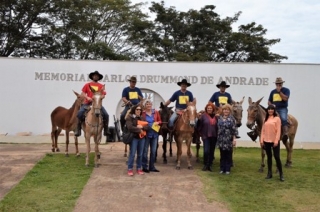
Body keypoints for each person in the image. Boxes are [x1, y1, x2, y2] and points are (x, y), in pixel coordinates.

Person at [75, 71, 109, 137]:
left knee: (106, 115)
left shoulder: (101, 86)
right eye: (94, 75)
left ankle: (106, 130)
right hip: (87, 104)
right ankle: (78, 129)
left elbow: (103, 94)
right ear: (92, 77)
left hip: (97, 104)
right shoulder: (87, 85)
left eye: (97, 76)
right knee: (80, 113)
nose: (96, 76)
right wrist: (87, 97)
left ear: (99, 77)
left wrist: (100, 97)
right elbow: (83, 93)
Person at [260, 104, 284, 181]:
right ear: (267, 110)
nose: (270, 110)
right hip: (266, 141)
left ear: (274, 110)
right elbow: (263, 131)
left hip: (274, 141)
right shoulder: (265, 119)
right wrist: (261, 140)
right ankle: (269, 173)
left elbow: (278, 131)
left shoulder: (277, 119)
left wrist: (276, 140)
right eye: (269, 109)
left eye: (272, 109)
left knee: (277, 157)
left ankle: (281, 174)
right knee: (269, 157)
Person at [126, 105, 148, 176]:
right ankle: (130, 169)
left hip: (142, 138)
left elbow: (148, 126)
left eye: (140, 110)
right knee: (132, 154)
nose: (139, 111)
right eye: (137, 109)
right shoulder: (130, 117)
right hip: (134, 138)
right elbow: (130, 127)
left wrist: (142, 127)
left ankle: (139, 168)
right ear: (134, 110)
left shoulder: (142, 117)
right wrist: (139, 130)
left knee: (140, 154)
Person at [141, 99, 162, 173]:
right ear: (145, 105)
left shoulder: (155, 112)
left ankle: (152, 166)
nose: (149, 105)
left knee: (153, 151)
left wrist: (157, 122)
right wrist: (149, 124)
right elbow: (142, 122)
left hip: (154, 134)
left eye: (150, 104)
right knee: (145, 151)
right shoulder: (143, 113)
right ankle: (144, 166)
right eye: (147, 104)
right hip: (146, 134)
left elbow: (160, 121)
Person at [268, 77, 290, 143]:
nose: (278, 85)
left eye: (279, 84)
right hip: (273, 109)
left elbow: (285, 99)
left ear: (282, 84)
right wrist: (271, 105)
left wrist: (279, 92)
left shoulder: (286, 90)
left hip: (282, 108)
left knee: (283, 118)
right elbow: (269, 101)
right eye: (277, 84)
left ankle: (285, 133)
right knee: (265, 118)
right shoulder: (272, 92)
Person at [197, 103, 218, 172]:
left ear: (213, 109)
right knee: (206, 151)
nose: (209, 109)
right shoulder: (203, 116)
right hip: (206, 136)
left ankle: (210, 165)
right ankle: (205, 164)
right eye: (208, 108)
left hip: (214, 136)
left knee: (212, 151)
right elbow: (199, 126)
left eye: (211, 108)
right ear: (206, 109)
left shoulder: (216, 117)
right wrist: (199, 120)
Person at [217, 104, 237, 174]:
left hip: (229, 139)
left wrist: (234, 139)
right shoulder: (220, 118)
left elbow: (234, 130)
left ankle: (227, 169)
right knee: (222, 155)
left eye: (227, 110)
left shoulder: (232, 119)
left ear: (229, 111)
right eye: (224, 109)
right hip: (221, 139)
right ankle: (222, 168)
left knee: (228, 155)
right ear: (222, 110)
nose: (226, 111)